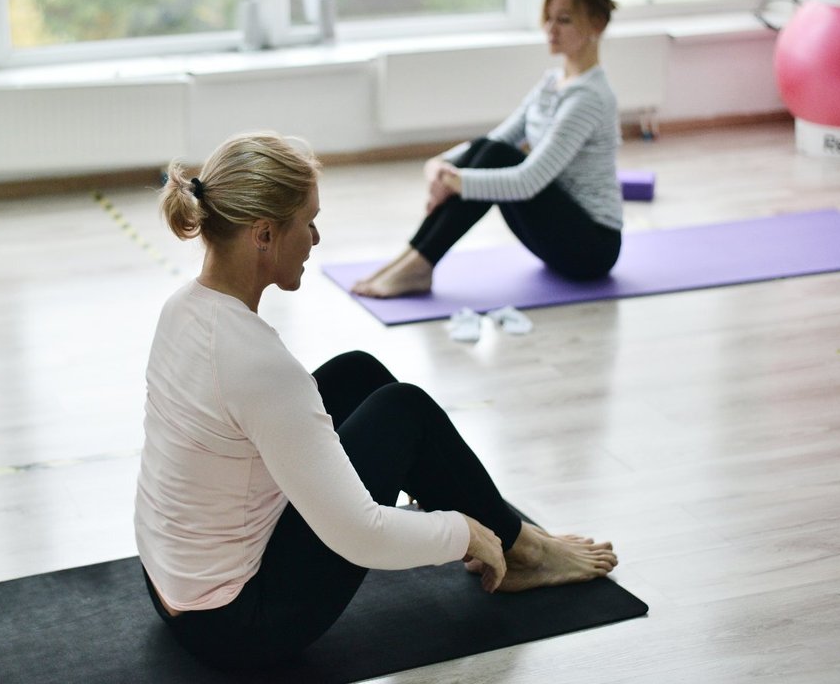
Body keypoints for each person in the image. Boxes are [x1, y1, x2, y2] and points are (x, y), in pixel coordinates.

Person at [134, 131, 618, 670]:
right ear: (264, 234)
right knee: (404, 411)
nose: (316, 238)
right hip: (237, 624)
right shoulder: (257, 364)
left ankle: (513, 537)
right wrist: (461, 534)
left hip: (167, 587)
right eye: (308, 222)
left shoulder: (182, 309)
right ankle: (520, 549)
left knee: (357, 374)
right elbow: (361, 534)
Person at [352, 0, 623, 299]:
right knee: (491, 149)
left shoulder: (589, 97)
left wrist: (455, 182)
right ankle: (412, 257)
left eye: (564, 20)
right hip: (558, 230)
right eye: (548, 18)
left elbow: (528, 182)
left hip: (591, 248)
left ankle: (419, 264)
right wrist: (441, 164)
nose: (551, 29)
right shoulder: (552, 83)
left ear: (597, 24)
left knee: (497, 157)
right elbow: (494, 140)